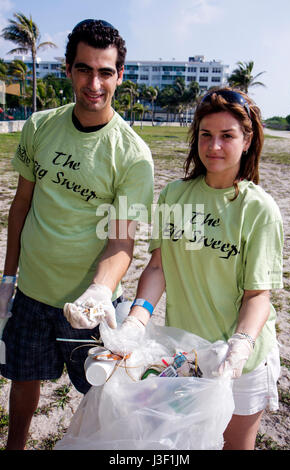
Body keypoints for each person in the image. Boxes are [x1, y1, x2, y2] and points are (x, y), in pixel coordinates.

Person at [0, 19, 153, 450]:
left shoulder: (132, 154)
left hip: (91, 310)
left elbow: (122, 240)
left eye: (106, 71)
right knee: (23, 382)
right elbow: (21, 206)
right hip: (31, 293)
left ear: (120, 76)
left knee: (104, 399)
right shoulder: (38, 126)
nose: (95, 82)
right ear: (68, 69)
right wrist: (8, 279)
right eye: (84, 69)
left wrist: (100, 292)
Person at [106, 87, 283, 450]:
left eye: (227, 136)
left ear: (247, 141)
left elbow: (258, 295)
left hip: (239, 363)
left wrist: (241, 346)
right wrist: (137, 320)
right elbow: (158, 268)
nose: (213, 146)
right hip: (186, 354)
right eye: (206, 135)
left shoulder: (259, 209)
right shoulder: (174, 195)